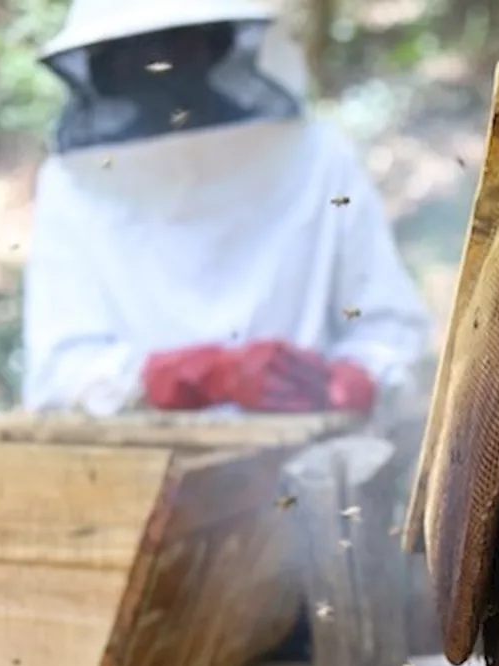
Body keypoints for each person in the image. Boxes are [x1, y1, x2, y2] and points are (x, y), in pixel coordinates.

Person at [22, 0, 431, 419]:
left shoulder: (318, 158)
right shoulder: (71, 184)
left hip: (309, 467)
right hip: (136, 474)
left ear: (217, 43)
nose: (161, 67)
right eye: (139, 52)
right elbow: (58, 375)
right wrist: (189, 376)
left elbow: (391, 331)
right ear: (102, 65)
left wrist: (353, 379)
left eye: (180, 43)